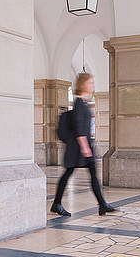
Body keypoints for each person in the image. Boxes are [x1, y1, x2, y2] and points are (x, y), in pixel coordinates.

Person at [50, 73, 116, 216]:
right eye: (90, 82)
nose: (92, 85)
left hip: (79, 148)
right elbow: (80, 129)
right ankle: (57, 203)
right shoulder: (79, 103)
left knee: (76, 174)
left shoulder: (82, 103)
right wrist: (85, 148)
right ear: (83, 84)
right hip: (79, 149)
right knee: (71, 174)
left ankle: (101, 204)